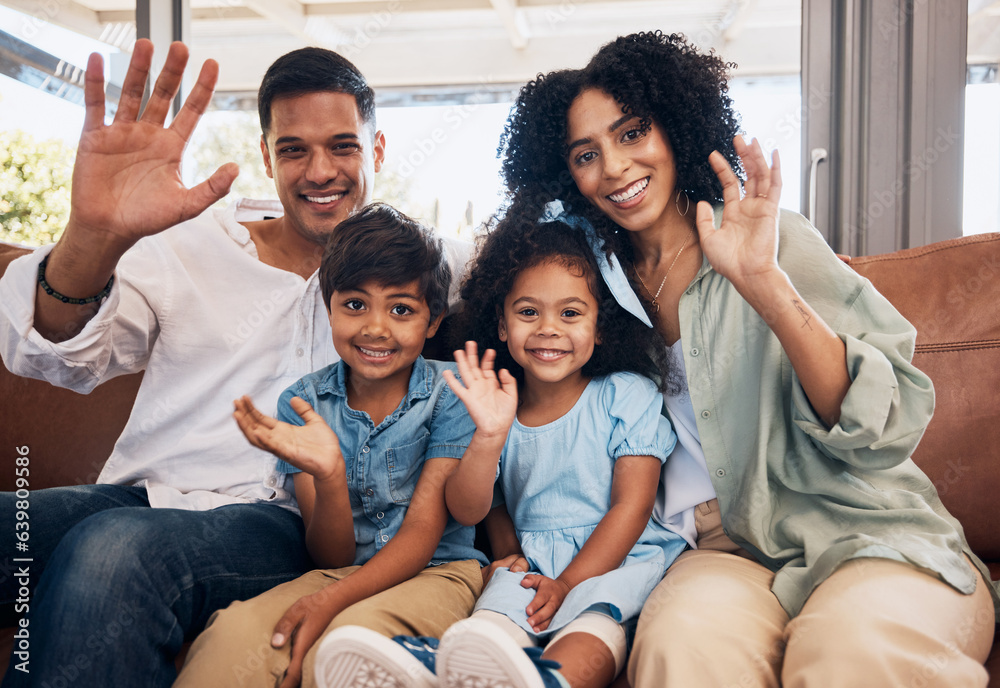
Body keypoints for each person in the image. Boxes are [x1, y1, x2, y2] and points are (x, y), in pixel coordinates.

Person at [495, 31, 998, 688]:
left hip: (861, 527)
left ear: (676, 128)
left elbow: (890, 420)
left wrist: (763, 282)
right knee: (683, 651)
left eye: (632, 133)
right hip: (717, 548)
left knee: (851, 655)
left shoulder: (769, 238)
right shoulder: (589, 291)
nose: (614, 167)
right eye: (587, 154)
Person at [0, 42, 467, 687]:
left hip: (284, 521)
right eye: (293, 149)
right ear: (267, 156)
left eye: (343, 146)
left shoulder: (421, 266)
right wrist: (92, 232)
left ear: (377, 150)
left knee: (111, 553)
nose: (320, 171)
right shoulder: (191, 243)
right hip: (146, 497)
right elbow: (54, 355)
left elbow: (546, 280)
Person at [318, 212, 689, 688]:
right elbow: (473, 507)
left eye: (570, 313)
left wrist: (569, 584)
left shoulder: (625, 395)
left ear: (600, 328)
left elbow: (631, 506)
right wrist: (492, 448)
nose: (548, 328)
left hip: (610, 561)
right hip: (532, 563)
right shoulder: (493, 403)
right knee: (487, 630)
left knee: (591, 629)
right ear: (501, 323)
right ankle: (434, 671)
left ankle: (548, 681)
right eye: (528, 312)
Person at [172, 203, 487, 688]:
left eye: (401, 309)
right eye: (355, 304)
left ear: (433, 321)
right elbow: (330, 557)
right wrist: (330, 475)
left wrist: (331, 603)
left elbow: (425, 532)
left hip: (438, 571)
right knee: (230, 637)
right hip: (338, 573)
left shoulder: (453, 393)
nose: (375, 327)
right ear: (329, 306)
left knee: (351, 642)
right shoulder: (303, 402)